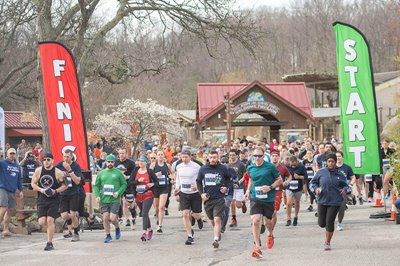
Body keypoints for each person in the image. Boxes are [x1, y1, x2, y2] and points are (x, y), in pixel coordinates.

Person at [245, 147, 282, 258]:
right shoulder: (250, 167)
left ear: (263, 156)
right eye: (255, 156)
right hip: (255, 198)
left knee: (267, 223)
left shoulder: (270, 167)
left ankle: (270, 234)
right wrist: (247, 190)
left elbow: (279, 180)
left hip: (268, 199)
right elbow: (251, 179)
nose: (257, 158)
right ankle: (257, 247)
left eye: (259, 156)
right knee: (255, 221)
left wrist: (270, 187)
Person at [310, 153, 351, 251]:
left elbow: (346, 186)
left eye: (333, 161)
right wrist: (315, 189)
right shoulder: (320, 172)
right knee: (321, 223)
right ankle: (326, 227)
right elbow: (312, 183)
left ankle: (327, 242)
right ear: (326, 162)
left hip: (335, 201)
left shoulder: (340, 174)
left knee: (330, 222)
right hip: (322, 200)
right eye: (329, 161)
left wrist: (345, 190)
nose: (331, 163)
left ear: (335, 162)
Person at [31, 153, 67, 250]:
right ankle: (50, 228)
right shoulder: (38, 171)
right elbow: (33, 184)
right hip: (42, 198)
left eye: (48, 160)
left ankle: (49, 243)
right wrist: (42, 190)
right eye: (45, 160)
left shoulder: (58, 172)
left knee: (50, 220)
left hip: (54, 199)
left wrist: (55, 191)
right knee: (42, 222)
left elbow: (65, 185)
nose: (46, 162)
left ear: (52, 161)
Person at [197, 150, 230, 248]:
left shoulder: (222, 168)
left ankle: (215, 239)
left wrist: (226, 187)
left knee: (217, 219)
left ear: (217, 158)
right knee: (212, 220)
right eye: (211, 157)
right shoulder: (203, 169)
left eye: (214, 157)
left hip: (219, 198)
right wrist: (201, 193)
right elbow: (198, 181)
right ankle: (217, 231)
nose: (212, 159)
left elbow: (228, 178)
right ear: (208, 158)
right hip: (208, 199)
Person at [94, 154, 127, 243]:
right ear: (106, 162)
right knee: (105, 218)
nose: (110, 163)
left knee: (112, 218)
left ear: (114, 162)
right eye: (108, 161)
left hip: (115, 199)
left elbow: (124, 184)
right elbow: (96, 186)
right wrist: (97, 196)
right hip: (104, 199)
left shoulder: (118, 172)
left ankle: (117, 227)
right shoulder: (101, 173)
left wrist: (118, 192)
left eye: (112, 162)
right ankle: (108, 235)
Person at [173, 150, 202, 245]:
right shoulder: (179, 166)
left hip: (195, 193)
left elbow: (202, 178)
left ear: (190, 157)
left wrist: (197, 187)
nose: (184, 159)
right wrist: (177, 188)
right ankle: (190, 235)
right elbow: (178, 178)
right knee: (185, 214)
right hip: (184, 193)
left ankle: (198, 218)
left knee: (196, 214)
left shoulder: (196, 167)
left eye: (186, 157)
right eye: (183, 157)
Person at [56, 149, 84, 242]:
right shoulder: (59, 165)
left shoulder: (75, 166)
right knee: (64, 216)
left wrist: (70, 170)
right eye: (64, 156)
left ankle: (76, 232)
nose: (66, 158)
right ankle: (75, 224)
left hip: (74, 193)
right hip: (63, 193)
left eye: (68, 156)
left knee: (72, 214)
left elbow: (77, 181)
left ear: (71, 157)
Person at [129, 156, 157, 241]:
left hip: (148, 194)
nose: (140, 162)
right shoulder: (135, 171)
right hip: (138, 195)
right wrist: (137, 181)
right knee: (144, 213)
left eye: (142, 161)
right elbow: (130, 182)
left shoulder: (150, 171)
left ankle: (144, 232)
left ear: (146, 163)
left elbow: (157, 182)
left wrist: (152, 184)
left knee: (144, 213)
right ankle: (150, 229)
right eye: (139, 161)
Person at [0, 148, 23, 237]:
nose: (12, 155)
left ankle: (5, 229)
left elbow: (19, 179)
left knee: (10, 210)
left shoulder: (17, 166)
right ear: (7, 154)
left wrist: (20, 190)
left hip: (12, 190)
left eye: (14, 153)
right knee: (3, 208)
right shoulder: (2, 163)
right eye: (10, 153)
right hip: (3, 188)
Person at [150, 150, 173, 233]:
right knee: (156, 209)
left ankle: (160, 225)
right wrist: (155, 175)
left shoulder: (167, 165)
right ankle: (157, 219)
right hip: (156, 187)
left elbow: (172, 174)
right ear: (156, 157)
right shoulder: (153, 165)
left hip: (164, 187)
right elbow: (148, 174)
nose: (160, 156)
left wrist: (172, 178)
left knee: (161, 207)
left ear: (164, 156)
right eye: (158, 155)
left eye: (161, 155)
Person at [270, 150, 290, 235]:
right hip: (267, 192)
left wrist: (287, 181)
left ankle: (271, 231)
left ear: (279, 157)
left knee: (274, 212)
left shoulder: (283, 167)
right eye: (273, 156)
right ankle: (265, 225)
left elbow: (289, 176)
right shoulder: (266, 166)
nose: (274, 157)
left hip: (277, 191)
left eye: (276, 156)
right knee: (266, 213)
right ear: (270, 157)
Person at [115, 148, 136, 227]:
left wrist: (127, 177)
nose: (121, 155)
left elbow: (134, 174)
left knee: (130, 204)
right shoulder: (116, 163)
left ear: (126, 154)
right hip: (118, 185)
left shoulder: (131, 163)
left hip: (128, 184)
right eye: (120, 153)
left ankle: (133, 216)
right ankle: (126, 219)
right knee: (122, 202)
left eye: (123, 153)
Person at [335, 151, 356, 231]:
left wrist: (350, 185)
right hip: (333, 190)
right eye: (336, 156)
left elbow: (353, 177)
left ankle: (339, 223)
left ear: (342, 157)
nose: (338, 158)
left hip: (343, 190)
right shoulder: (331, 167)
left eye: (339, 156)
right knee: (332, 207)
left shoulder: (347, 167)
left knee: (341, 207)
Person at [285, 155, 307, 226]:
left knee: (297, 202)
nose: (293, 166)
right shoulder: (286, 166)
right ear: (289, 163)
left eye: (294, 165)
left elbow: (306, 177)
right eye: (292, 165)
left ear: (297, 162)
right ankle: (288, 218)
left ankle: (295, 216)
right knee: (288, 203)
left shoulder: (301, 167)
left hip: (298, 187)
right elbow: (282, 175)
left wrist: (299, 177)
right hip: (289, 187)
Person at [228, 149, 247, 228]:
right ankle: (233, 219)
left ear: (236, 155)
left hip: (240, 186)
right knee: (232, 202)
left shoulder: (240, 164)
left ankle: (242, 204)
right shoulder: (228, 165)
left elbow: (245, 174)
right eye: (230, 155)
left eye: (233, 155)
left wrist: (239, 181)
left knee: (237, 205)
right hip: (232, 187)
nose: (232, 157)